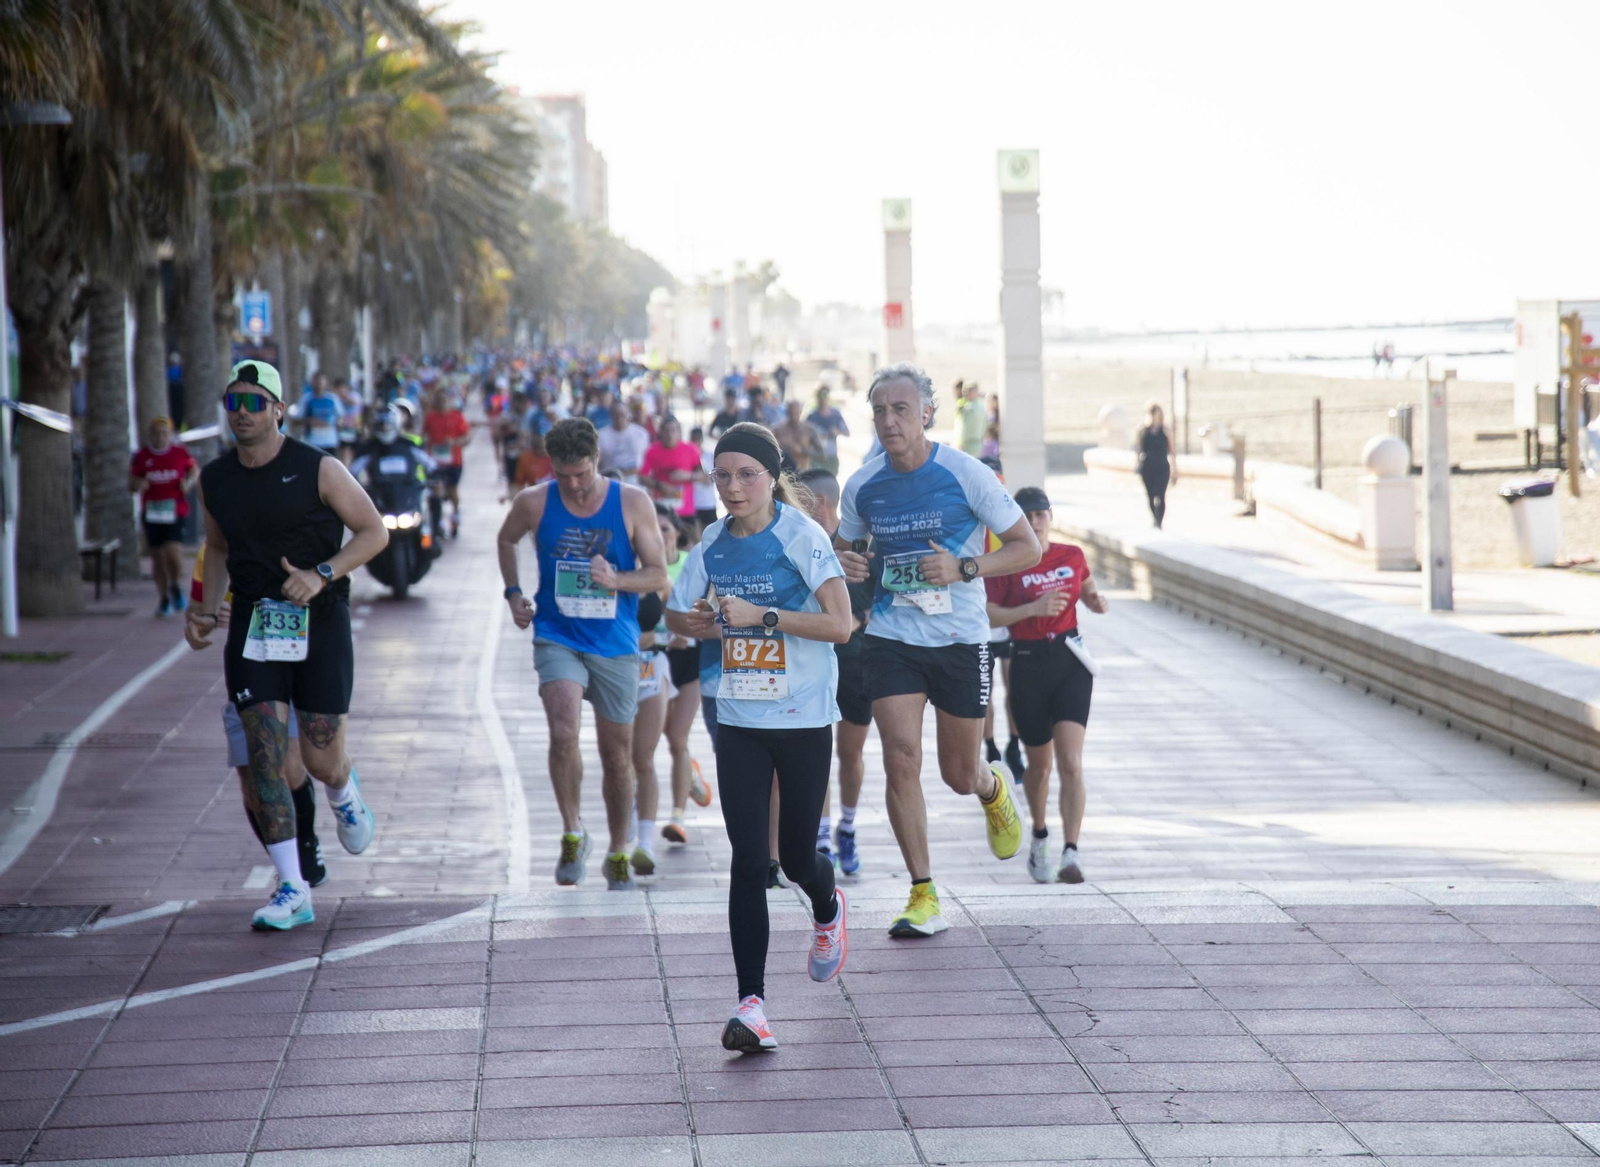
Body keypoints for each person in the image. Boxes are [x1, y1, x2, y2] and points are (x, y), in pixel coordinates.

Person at [665, 422, 852, 1052]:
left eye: (747, 474)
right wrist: (692, 621)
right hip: (740, 716)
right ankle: (752, 1006)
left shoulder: (802, 536)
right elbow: (677, 609)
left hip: (802, 717)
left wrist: (761, 617)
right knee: (749, 862)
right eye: (722, 476)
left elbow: (841, 625)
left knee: (797, 857)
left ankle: (827, 910)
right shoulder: (711, 543)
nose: (733, 487)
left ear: (772, 477)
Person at [836, 363, 1039, 938]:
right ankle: (922, 893)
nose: (889, 421)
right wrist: (847, 562)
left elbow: (1028, 547)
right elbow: (843, 552)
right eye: (879, 411)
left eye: (900, 409)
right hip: (893, 637)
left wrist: (963, 566)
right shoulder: (863, 485)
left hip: (959, 639)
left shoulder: (966, 474)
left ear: (927, 413)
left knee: (956, 773)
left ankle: (990, 786)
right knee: (900, 757)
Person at [184, 360, 386, 931]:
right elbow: (218, 548)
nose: (242, 413)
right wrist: (202, 608)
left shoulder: (319, 468)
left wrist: (322, 573)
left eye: (254, 402)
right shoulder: (216, 479)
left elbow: (374, 532)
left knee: (320, 759)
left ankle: (344, 792)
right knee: (265, 756)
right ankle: (292, 888)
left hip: (319, 620)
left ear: (279, 409)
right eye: (234, 402)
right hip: (253, 625)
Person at [495, 417, 669, 890]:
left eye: (582, 474)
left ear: (598, 460)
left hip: (614, 641)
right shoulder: (533, 502)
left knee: (618, 756)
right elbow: (506, 538)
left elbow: (659, 575)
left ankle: (616, 848)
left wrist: (617, 580)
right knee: (563, 729)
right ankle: (573, 830)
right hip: (557, 633)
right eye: (563, 474)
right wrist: (513, 593)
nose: (573, 485)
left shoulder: (632, 502)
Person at [985, 487, 1107, 884]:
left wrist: (1093, 601)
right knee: (1040, 767)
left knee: (1071, 761)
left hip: (1070, 660)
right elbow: (990, 616)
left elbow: (1085, 587)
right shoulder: (1006, 563)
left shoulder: (1071, 556)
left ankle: (1072, 851)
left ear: (1050, 516)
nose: (1035, 521)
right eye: (1027, 515)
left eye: (1040, 514)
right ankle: (1040, 834)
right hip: (1026, 662)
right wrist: (1032, 609)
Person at [190, 551, 327, 888]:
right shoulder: (214, 552)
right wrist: (206, 618)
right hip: (247, 679)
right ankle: (286, 865)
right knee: (254, 786)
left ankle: (306, 848)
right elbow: (194, 620)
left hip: (294, 674)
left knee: (290, 768)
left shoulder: (298, 539)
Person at [800, 468, 871, 875]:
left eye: (801, 502)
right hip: (813, 663)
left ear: (820, 504)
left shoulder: (862, 543)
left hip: (859, 663)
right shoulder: (799, 543)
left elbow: (888, 599)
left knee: (851, 753)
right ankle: (822, 834)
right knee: (819, 751)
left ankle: (846, 824)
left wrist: (857, 619)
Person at [129, 416, 198, 617]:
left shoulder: (179, 453)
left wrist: (188, 482)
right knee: (158, 559)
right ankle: (164, 598)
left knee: (173, 553)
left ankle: (175, 585)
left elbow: (193, 470)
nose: (160, 437)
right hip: (152, 514)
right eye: (156, 433)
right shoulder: (141, 456)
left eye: (164, 433)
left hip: (175, 512)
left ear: (170, 434)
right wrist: (138, 485)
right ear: (150, 435)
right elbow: (131, 483)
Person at [422, 387, 470, 538]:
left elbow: (467, 438)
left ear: (449, 401)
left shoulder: (457, 416)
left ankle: (455, 516)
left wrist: (455, 442)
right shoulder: (430, 417)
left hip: (453, 461)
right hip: (435, 462)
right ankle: (439, 522)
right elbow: (422, 436)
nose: (442, 402)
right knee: (437, 491)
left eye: (445, 399)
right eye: (439, 399)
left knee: (452, 491)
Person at [639, 415, 704, 519]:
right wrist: (659, 485)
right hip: (662, 510)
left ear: (678, 432)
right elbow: (642, 478)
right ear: (660, 432)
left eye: (673, 430)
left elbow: (702, 475)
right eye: (666, 430)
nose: (669, 434)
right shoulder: (652, 451)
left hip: (686, 511)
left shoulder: (691, 449)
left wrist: (688, 476)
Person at [1136, 402, 1179, 529]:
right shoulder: (1142, 430)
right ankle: (1154, 517)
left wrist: (1175, 468)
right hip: (1147, 466)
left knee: (1161, 494)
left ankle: (1159, 522)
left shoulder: (1166, 431)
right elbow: (1138, 450)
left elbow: (1172, 450)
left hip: (1162, 466)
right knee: (1150, 495)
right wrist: (1137, 464)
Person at [597, 401, 651, 483]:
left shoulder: (641, 434)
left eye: (622, 415)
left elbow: (648, 460)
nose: (619, 419)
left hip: (636, 482)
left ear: (628, 415)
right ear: (611, 416)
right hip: (610, 481)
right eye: (616, 415)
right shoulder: (601, 436)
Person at [296, 372, 345, 457]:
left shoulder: (332, 399)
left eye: (321, 382)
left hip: (329, 442)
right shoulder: (306, 399)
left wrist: (335, 424)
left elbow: (341, 417)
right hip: (311, 442)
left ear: (326, 383)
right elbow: (297, 419)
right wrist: (310, 421)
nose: (319, 385)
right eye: (316, 382)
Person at [805, 387, 850, 476]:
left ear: (828, 398)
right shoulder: (812, 416)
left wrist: (837, 431)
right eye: (820, 397)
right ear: (817, 399)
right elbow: (804, 434)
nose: (823, 400)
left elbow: (847, 432)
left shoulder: (835, 415)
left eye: (825, 396)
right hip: (817, 456)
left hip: (831, 455)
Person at [772, 399, 822, 473]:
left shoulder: (809, 430)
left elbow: (821, 454)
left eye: (796, 413)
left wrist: (803, 451)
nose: (793, 416)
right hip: (783, 472)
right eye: (791, 412)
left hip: (803, 472)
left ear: (801, 412)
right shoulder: (777, 429)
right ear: (787, 412)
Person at [688, 426, 719, 530]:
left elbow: (718, 474)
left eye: (698, 439)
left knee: (711, 532)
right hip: (693, 501)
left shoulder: (710, 455)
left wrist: (707, 478)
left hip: (708, 502)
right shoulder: (688, 456)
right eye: (694, 440)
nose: (696, 443)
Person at [507, 430, 554, 496]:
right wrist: (510, 496)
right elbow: (518, 484)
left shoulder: (557, 456)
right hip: (537, 499)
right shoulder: (525, 458)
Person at [955, 380, 986, 457]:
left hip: (968, 446)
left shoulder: (969, 408)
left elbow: (964, 428)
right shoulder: (981, 406)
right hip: (978, 444)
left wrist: (961, 443)